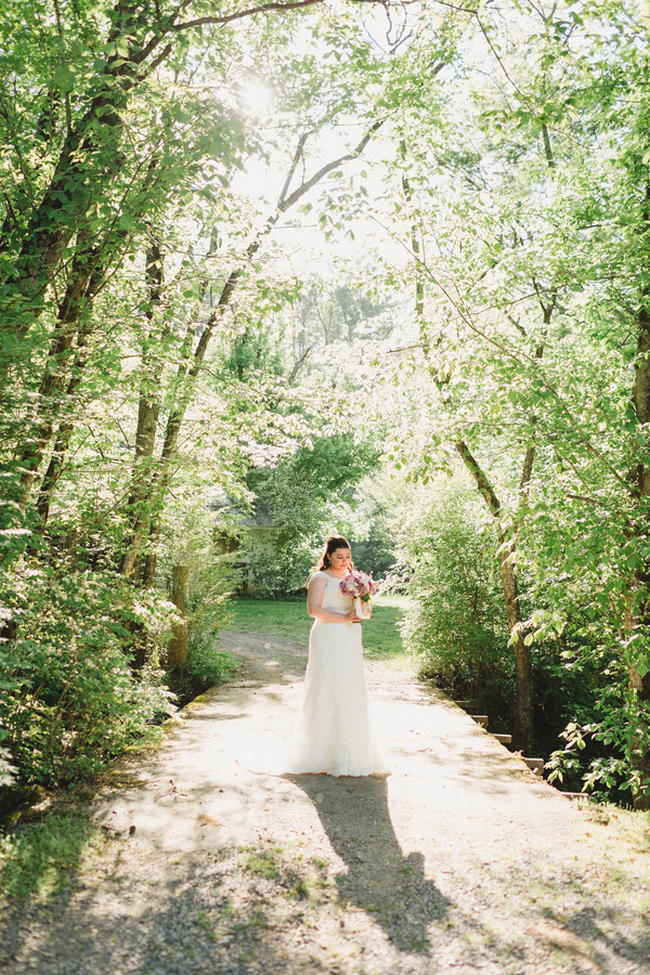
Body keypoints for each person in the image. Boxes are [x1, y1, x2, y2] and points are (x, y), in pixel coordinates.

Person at [286, 535, 386, 776]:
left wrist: (363, 606)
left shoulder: (355, 579)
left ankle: (352, 749)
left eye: (347, 557)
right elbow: (313, 610)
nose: (344, 561)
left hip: (350, 637)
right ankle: (321, 751)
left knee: (349, 687)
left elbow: (365, 611)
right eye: (339, 557)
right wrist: (342, 617)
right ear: (329, 556)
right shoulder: (320, 578)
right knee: (327, 684)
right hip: (328, 634)